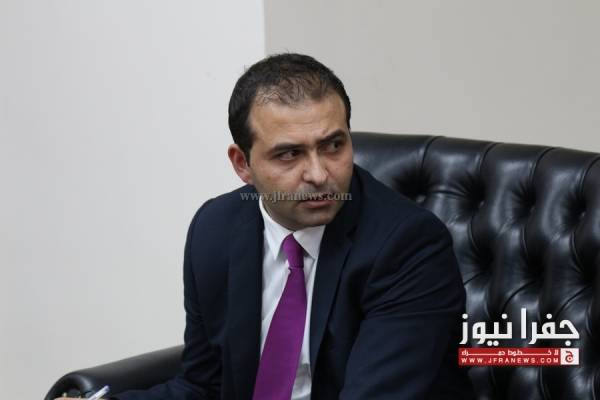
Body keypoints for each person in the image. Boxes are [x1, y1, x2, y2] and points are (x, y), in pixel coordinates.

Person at [58, 53, 474, 399]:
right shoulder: (215, 229)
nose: (319, 174)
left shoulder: (408, 245)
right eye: (289, 154)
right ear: (242, 164)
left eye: (333, 145)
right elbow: (203, 387)